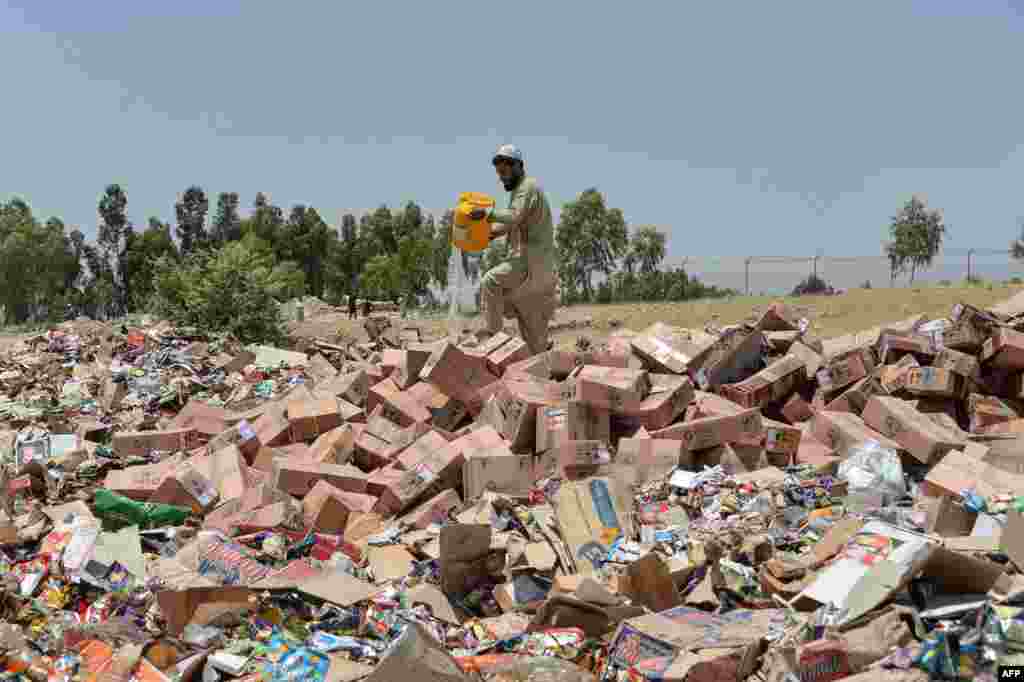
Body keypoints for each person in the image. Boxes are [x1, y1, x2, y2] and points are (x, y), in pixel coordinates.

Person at [468, 144, 558, 355]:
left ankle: (494, 344)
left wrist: (487, 214)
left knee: (491, 282)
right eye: (499, 174)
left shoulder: (527, 187)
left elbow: (513, 216)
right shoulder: (522, 191)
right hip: (539, 269)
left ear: (518, 165)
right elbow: (511, 223)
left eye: (505, 172)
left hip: (529, 263)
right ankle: (544, 371)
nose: (502, 178)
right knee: (535, 343)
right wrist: (488, 234)